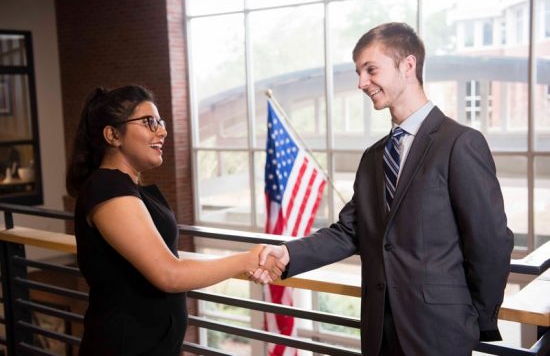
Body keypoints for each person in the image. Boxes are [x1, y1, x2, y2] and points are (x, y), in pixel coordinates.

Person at [253, 22, 514, 356]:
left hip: (440, 333)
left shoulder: (460, 144)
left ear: (408, 65)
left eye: (371, 69)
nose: (362, 83)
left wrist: (473, 318)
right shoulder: (374, 157)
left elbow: (490, 241)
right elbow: (350, 232)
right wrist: (289, 253)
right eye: (359, 72)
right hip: (379, 333)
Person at [66, 85, 283, 356]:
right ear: (113, 135)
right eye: (148, 122)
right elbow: (169, 274)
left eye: (160, 122)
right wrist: (246, 260)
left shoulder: (127, 189)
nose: (162, 131)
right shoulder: (107, 189)